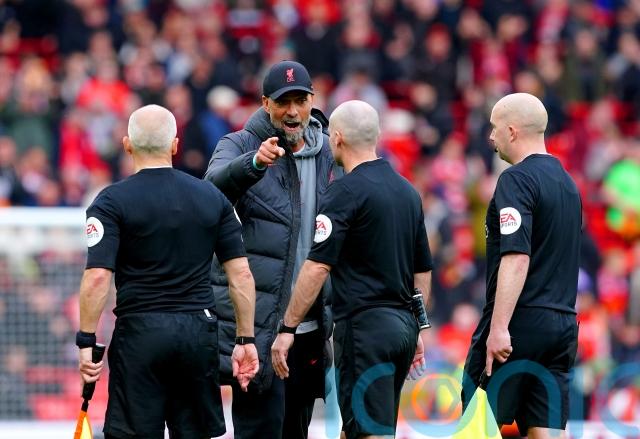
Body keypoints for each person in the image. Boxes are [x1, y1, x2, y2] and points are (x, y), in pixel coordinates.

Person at [76, 104, 259, 439]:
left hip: (139, 333)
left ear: (127, 145)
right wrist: (245, 339)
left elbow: (98, 276)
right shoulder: (213, 198)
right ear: (175, 145)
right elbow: (241, 275)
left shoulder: (110, 202)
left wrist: (87, 340)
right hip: (197, 332)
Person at [271, 100, 434, 439]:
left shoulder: (343, 192)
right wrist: (417, 325)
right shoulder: (407, 192)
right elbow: (422, 270)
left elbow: (317, 267)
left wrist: (288, 327)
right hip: (402, 328)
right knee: (357, 428)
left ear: (338, 137)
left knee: (370, 432)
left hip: (365, 330)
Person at [203, 60, 340, 439]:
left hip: (309, 327)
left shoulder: (331, 152)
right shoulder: (239, 144)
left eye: (300, 100)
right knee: (258, 431)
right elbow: (209, 192)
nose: (292, 111)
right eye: (283, 102)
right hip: (258, 329)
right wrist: (252, 164)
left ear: (312, 100)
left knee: (297, 430)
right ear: (265, 103)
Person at [461, 93, 582, 439]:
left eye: (494, 128)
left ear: (512, 131)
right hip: (562, 326)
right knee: (546, 432)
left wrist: (499, 327)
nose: (491, 136)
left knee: (478, 429)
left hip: (518, 323)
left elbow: (517, 256)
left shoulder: (515, 180)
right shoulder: (569, 185)